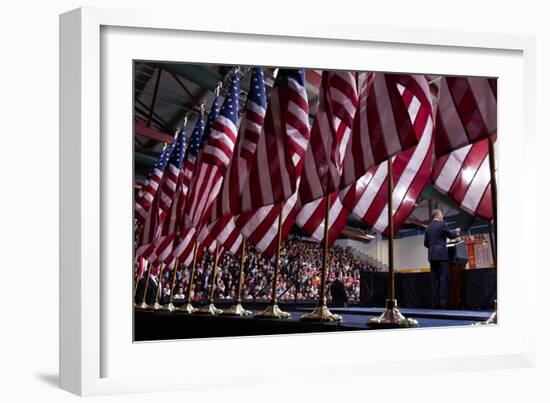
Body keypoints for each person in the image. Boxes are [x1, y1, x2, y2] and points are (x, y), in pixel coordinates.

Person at [424, 209, 460, 309]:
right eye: (441, 214)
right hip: (441, 256)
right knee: (443, 279)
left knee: (434, 281)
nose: (442, 216)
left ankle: (434, 304)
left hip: (432, 256)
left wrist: (433, 247)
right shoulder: (442, 224)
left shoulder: (428, 228)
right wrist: (457, 234)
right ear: (438, 215)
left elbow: (426, 243)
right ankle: (443, 304)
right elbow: (450, 234)